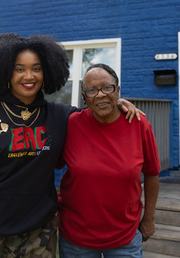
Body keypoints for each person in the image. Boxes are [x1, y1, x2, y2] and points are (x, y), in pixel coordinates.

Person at [0, 33, 140, 258]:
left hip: (35, 237)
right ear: (5, 71)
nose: (29, 76)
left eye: (36, 68)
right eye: (19, 69)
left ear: (47, 72)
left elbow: (95, 112)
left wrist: (114, 102)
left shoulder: (61, 117)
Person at [58, 63, 160, 258]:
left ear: (118, 90)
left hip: (125, 236)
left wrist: (149, 219)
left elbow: (152, 173)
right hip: (76, 237)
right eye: (91, 90)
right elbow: (44, 162)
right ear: (84, 97)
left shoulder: (139, 124)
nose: (100, 95)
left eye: (107, 87)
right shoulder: (71, 124)